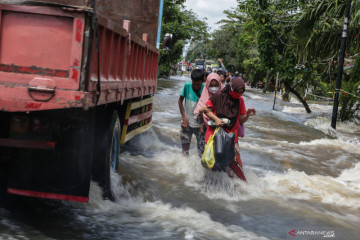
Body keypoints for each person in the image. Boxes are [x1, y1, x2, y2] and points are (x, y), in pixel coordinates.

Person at [200, 77, 256, 181]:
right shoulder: (218, 97)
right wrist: (216, 119)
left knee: (236, 173)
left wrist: (247, 114)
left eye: (241, 92)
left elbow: (241, 120)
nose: (238, 94)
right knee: (212, 170)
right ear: (231, 88)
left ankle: (238, 193)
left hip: (231, 140)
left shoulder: (240, 100)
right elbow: (204, 109)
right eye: (236, 92)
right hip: (214, 138)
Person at [194, 73, 223, 156]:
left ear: (220, 85)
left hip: (221, 133)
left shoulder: (225, 98)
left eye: (216, 85)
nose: (214, 88)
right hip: (206, 133)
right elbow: (199, 121)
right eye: (211, 85)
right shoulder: (203, 100)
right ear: (207, 85)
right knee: (205, 158)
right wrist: (200, 112)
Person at [178, 69, 205, 157]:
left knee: (201, 152)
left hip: (200, 125)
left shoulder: (205, 89)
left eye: (198, 84)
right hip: (187, 124)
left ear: (202, 81)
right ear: (191, 81)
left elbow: (209, 108)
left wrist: (204, 124)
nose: (196, 86)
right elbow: (180, 101)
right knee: (185, 151)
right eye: (194, 84)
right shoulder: (187, 86)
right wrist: (184, 118)